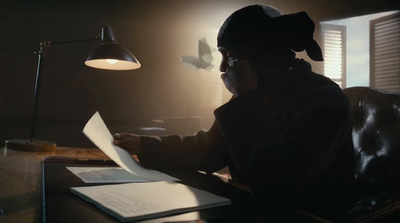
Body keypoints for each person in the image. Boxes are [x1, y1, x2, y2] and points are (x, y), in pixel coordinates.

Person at [113, 4, 355, 222]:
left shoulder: (326, 103)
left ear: (261, 58)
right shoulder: (254, 96)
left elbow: (277, 186)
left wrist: (246, 99)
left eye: (231, 57)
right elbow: (208, 151)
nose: (221, 68)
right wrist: (145, 145)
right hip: (254, 208)